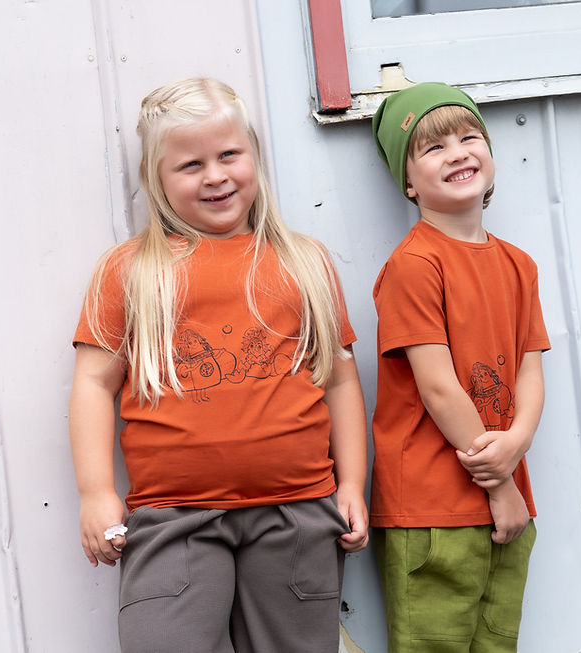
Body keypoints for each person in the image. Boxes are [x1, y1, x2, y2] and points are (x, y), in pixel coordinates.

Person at [68, 77, 368, 653]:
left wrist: (352, 482)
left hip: (298, 514)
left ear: (253, 154)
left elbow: (340, 380)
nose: (215, 176)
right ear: (156, 179)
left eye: (229, 154)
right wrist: (95, 491)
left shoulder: (303, 263)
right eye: (190, 164)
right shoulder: (131, 271)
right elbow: (92, 382)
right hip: (172, 520)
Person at [369, 82, 550, 652]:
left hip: (507, 500)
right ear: (407, 179)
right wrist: (499, 481)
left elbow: (528, 372)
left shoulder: (519, 265)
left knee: (497, 644)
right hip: (430, 511)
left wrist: (516, 445)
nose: (458, 153)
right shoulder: (415, 266)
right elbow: (439, 388)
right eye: (433, 148)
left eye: (471, 137)